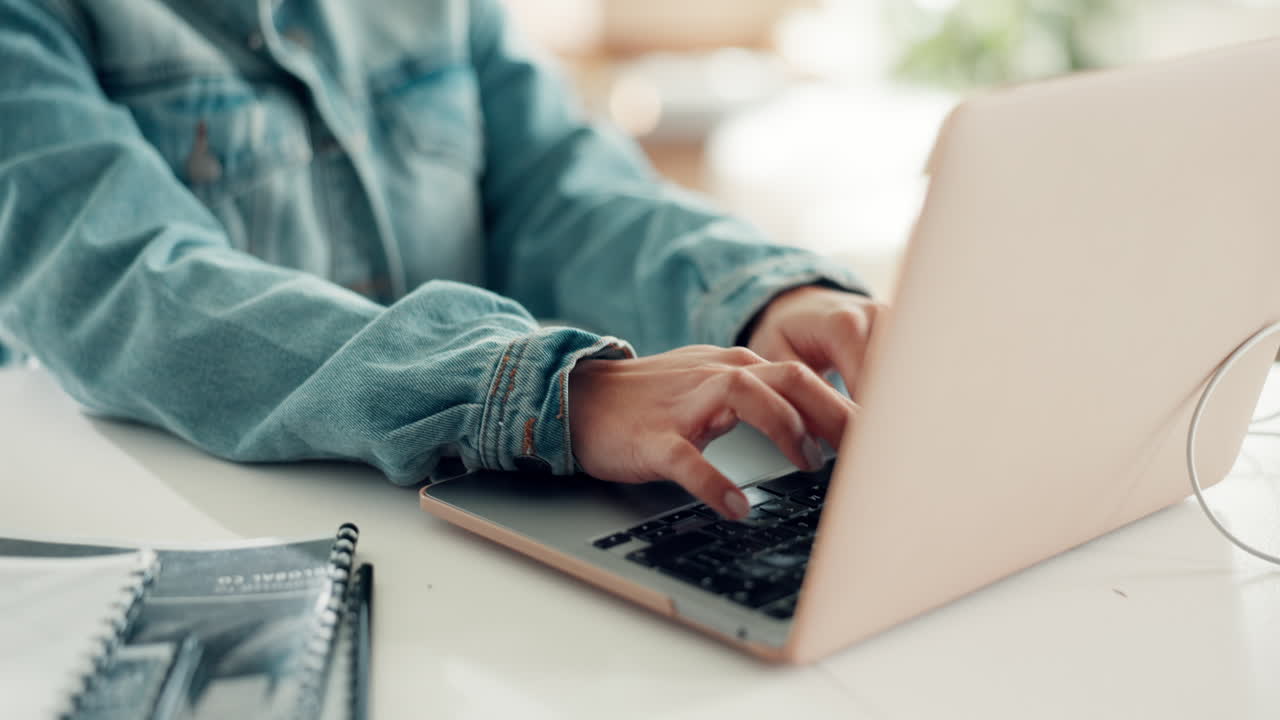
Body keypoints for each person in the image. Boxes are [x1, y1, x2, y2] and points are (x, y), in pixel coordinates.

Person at [0, 0, 880, 520]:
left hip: (474, 529)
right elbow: (119, 280)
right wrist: (551, 391)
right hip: (197, 545)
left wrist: (761, 298)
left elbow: (553, 186)